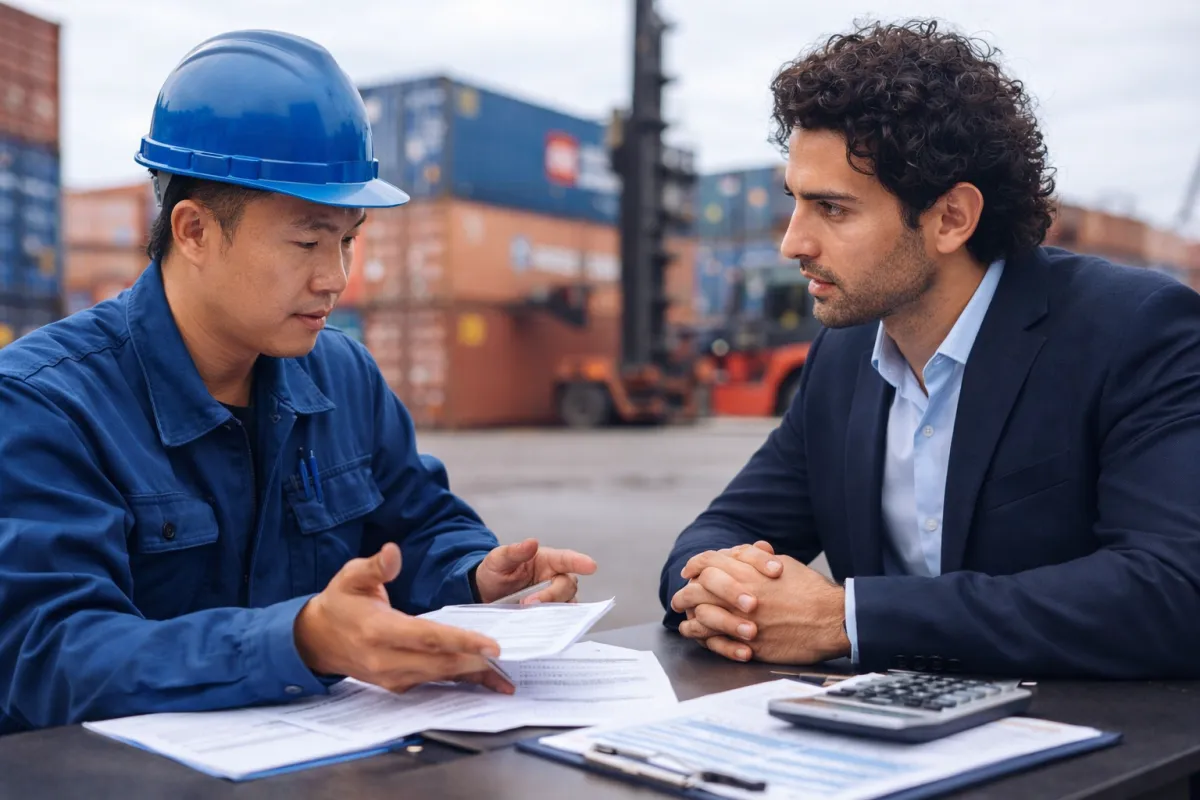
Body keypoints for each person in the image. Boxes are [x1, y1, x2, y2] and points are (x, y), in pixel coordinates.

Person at [0, 30, 596, 735]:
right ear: (191, 231)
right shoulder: (46, 405)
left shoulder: (344, 376)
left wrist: (475, 574)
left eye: (348, 240)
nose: (336, 278)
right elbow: (44, 654)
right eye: (308, 241)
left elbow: (420, 523)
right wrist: (299, 640)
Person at [660, 20, 1200, 679]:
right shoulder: (841, 358)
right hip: (879, 751)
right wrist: (727, 591)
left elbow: (1172, 590)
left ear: (951, 219)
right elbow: (719, 531)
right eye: (794, 202)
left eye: (832, 209)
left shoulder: (1134, 331)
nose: (793, 242)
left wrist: (844, 619)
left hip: (1086, 756)